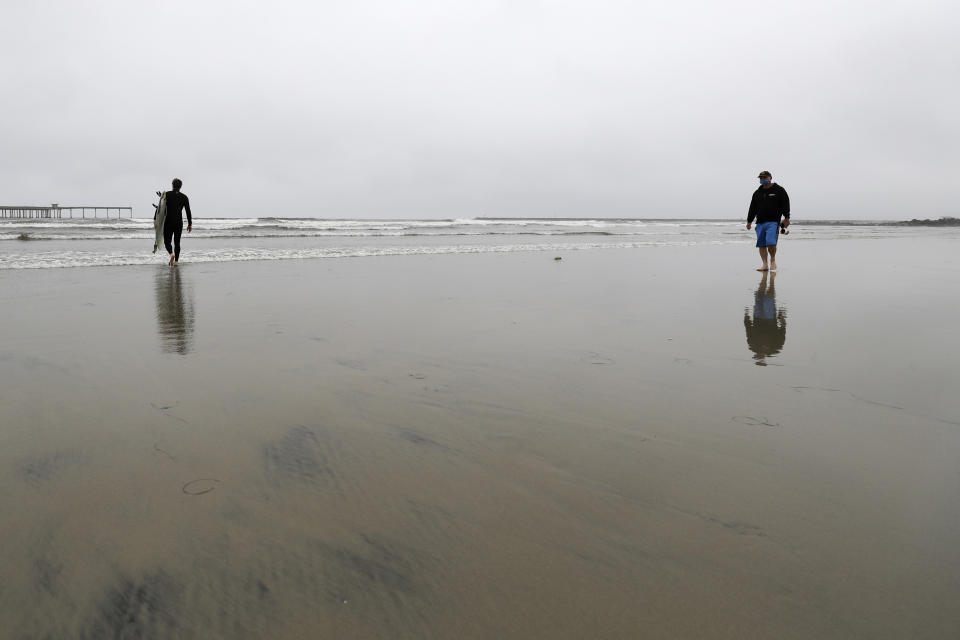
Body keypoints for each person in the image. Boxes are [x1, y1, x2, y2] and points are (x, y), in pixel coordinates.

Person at [746, 170, 789, 271]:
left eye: (765, 177)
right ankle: (765, 264)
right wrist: (749, 221)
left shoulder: (779, 190)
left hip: (773, 222)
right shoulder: (757, 193)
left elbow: (785, 203)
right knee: (761, 244)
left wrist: (787, 217)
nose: (762, 179)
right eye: (761, 178)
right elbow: (752, 208)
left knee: (771, 242)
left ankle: (773, 260)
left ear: (770, 178)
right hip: (760, 222)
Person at [744, 270, 786, 365]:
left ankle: (769, 280)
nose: (758, 354)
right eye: (759, 356)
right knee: (768, 297)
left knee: (759, 294)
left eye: (757, 355)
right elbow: (782, 333)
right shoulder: (774, 349)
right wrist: (782, 319)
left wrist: (746, 319)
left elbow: (749, 331)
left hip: (758, 317)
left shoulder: (753, 346)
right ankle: (771, 281)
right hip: (769, 319)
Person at [163, 178, 192, 266]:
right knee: (177, 242)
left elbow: (160, 209)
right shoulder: (184, 197)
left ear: (172, 185)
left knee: (167, 241)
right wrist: (189, 224)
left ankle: (171, 254)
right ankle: (176, 261)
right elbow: (188, 211)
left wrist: (155, 220)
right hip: (178, 222)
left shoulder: (166, 195)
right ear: (180, 186)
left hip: (168, 221)